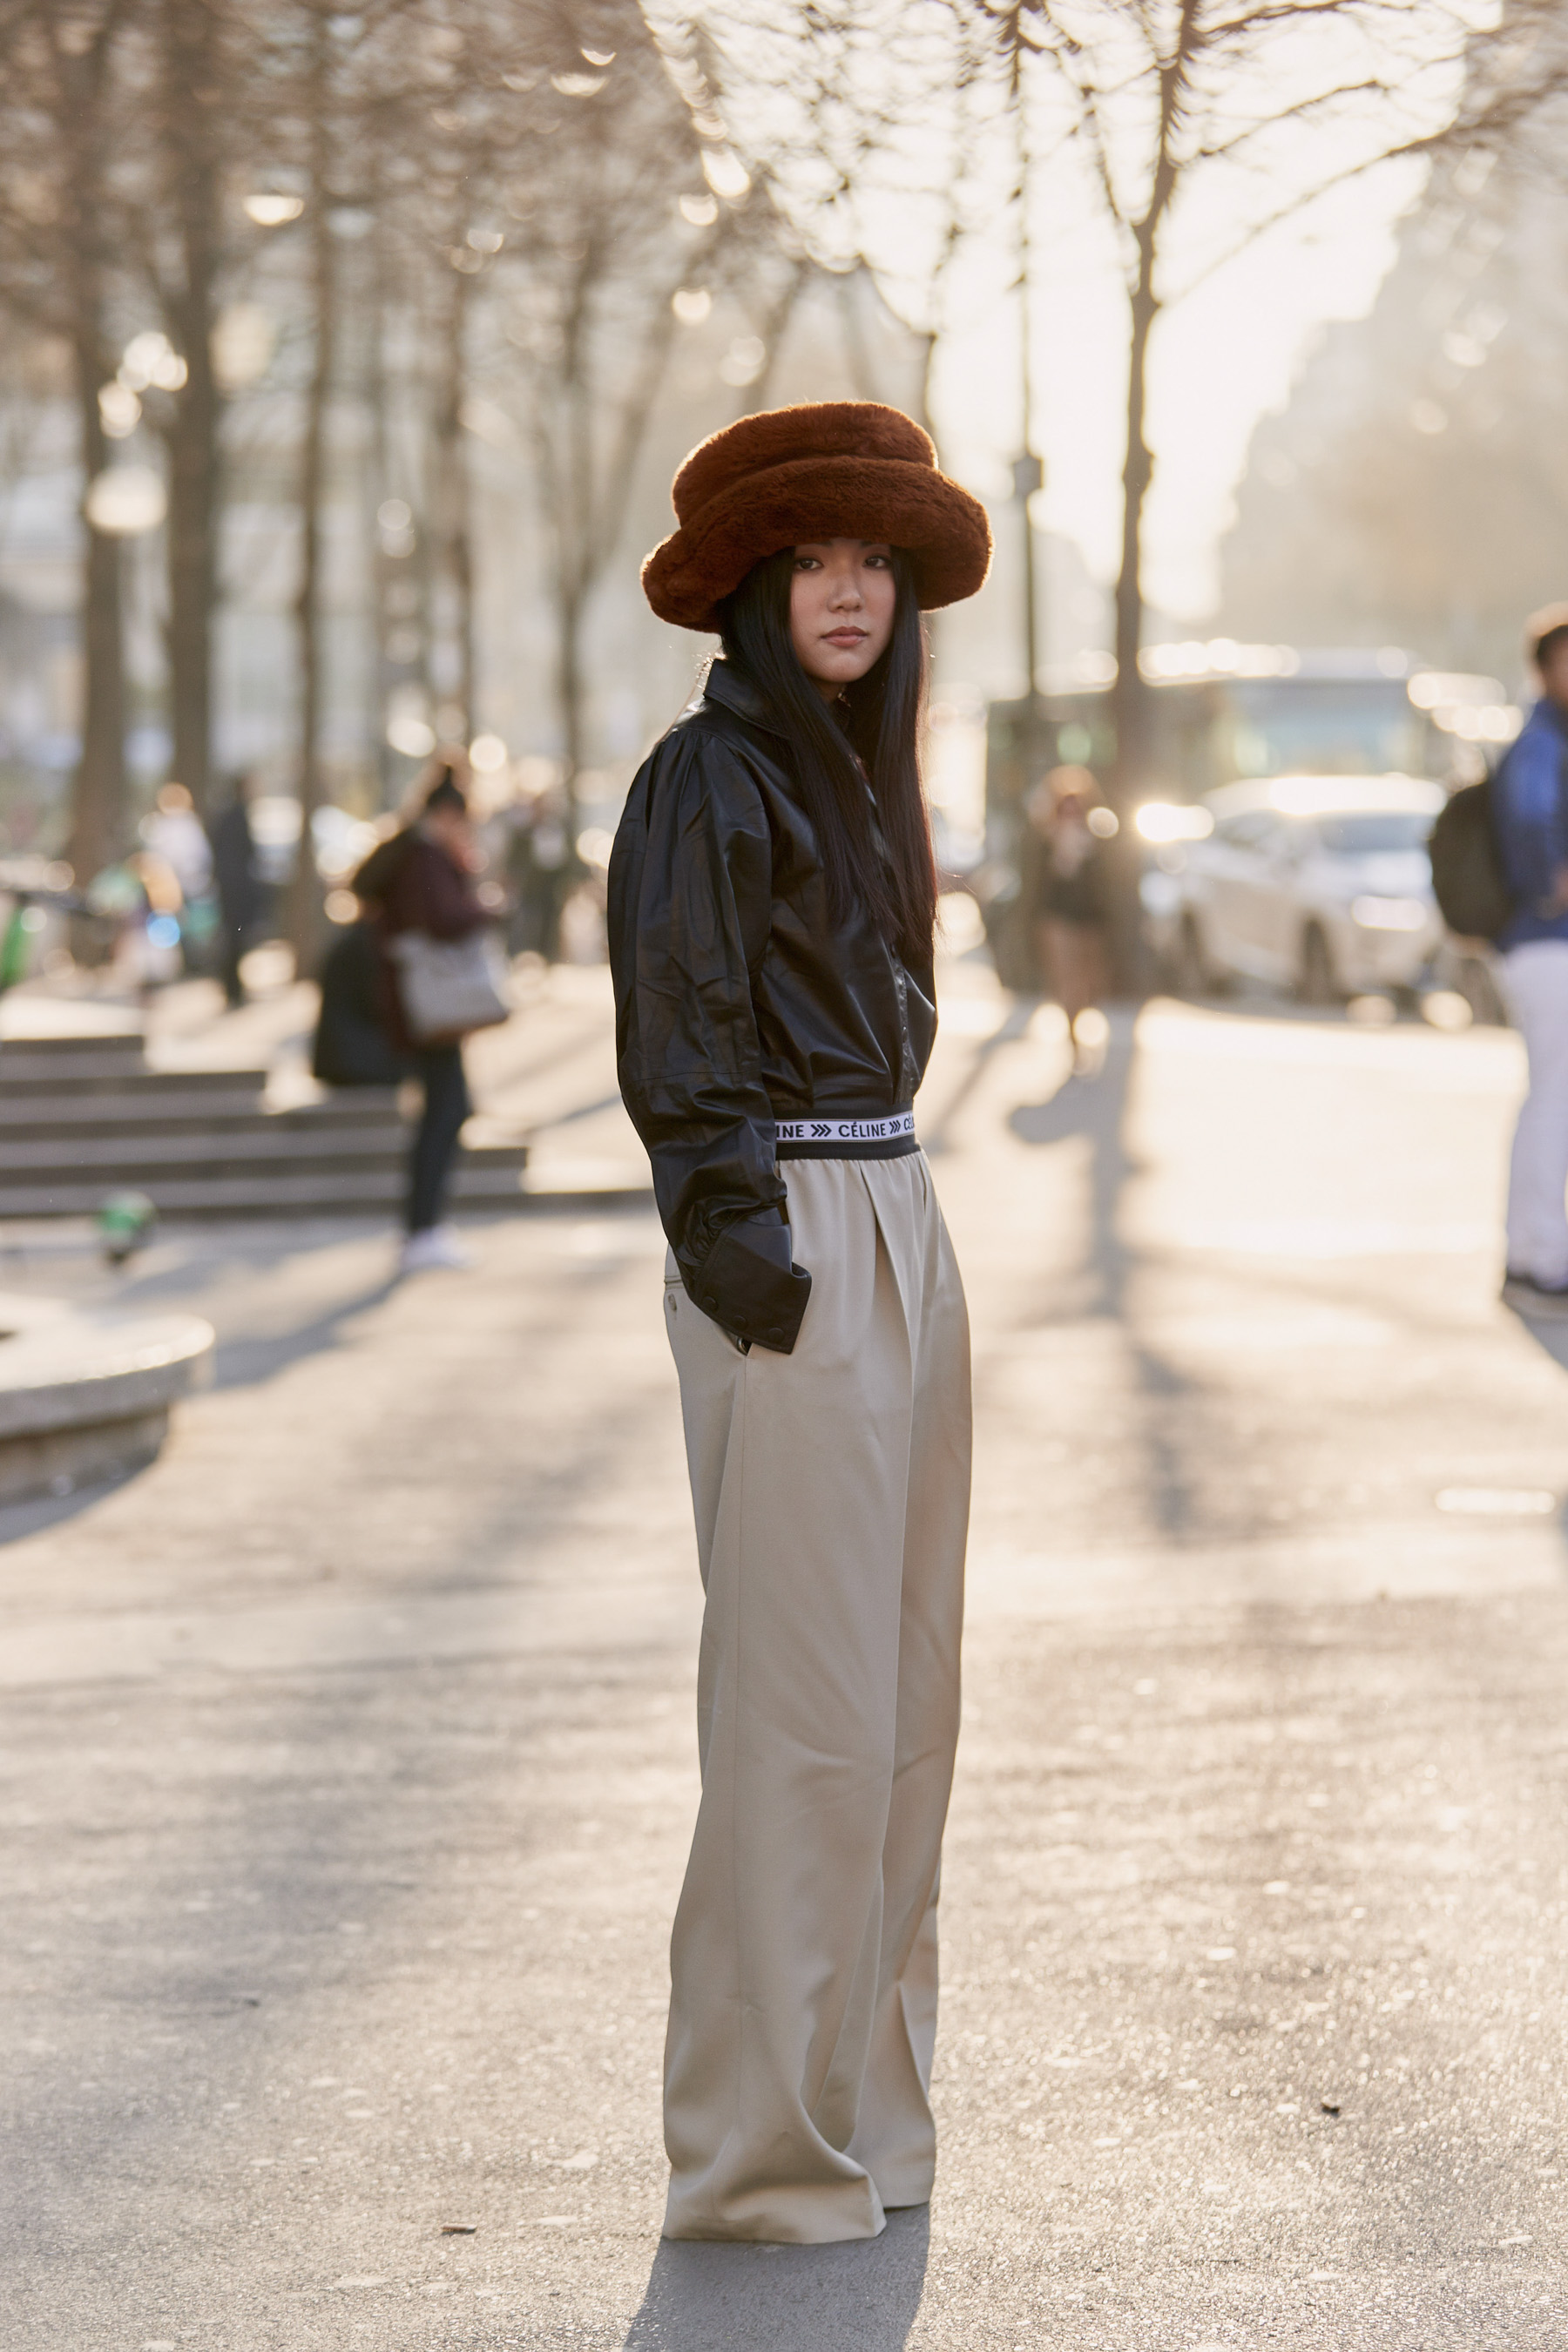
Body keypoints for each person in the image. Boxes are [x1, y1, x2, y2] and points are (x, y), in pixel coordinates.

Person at [609, 401, 991, 2243]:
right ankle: (764, 2158)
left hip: (895, 1206)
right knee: (803, 1716)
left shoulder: (854, 766)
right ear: (753, 589)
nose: (850, 591)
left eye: (875, 563)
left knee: (907, 1708)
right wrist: (759, 1272)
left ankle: (861, 2118)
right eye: (814, 561)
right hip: (801, 1241)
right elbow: (685, 1044)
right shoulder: (712, 774)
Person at [352, 758, 489, 1273]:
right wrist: (488, 909)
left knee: (444, 1109)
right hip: (429, 1009)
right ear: (450, 813)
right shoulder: (425, 856)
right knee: (446, 1110)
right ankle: (423, 1229)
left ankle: (423, 1227)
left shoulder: (409, 851)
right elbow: (445, 918)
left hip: (417, 1005)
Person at [1495, 605, 1568, 1315]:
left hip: (1545, 945)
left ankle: (1536, 1252)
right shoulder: (1544, 740)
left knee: (1552, 1098)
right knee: (1556, 1100)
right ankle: (1541, 1260)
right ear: (1544, 670)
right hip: (1551, 944)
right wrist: (1551, 880)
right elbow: (1528, 823)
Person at [1026, 762, 1109, 1070]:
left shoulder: (1098, 835)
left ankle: (1081, 1024)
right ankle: (1073, 1043)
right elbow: (1035, 883)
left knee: (1089, 984)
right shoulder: (1045, 839)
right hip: (1056, 916)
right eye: (1067, 806)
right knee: (1067, 981)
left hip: (1089, 917)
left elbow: (1108, 885)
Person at [207, 773, 266, 1008]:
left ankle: (232, 987)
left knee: (232, 938)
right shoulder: (239, 815)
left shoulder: (224, 815)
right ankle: (233, 988)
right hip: (237, 889)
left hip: (227, 887)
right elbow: (249, 851)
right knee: (236, 939)